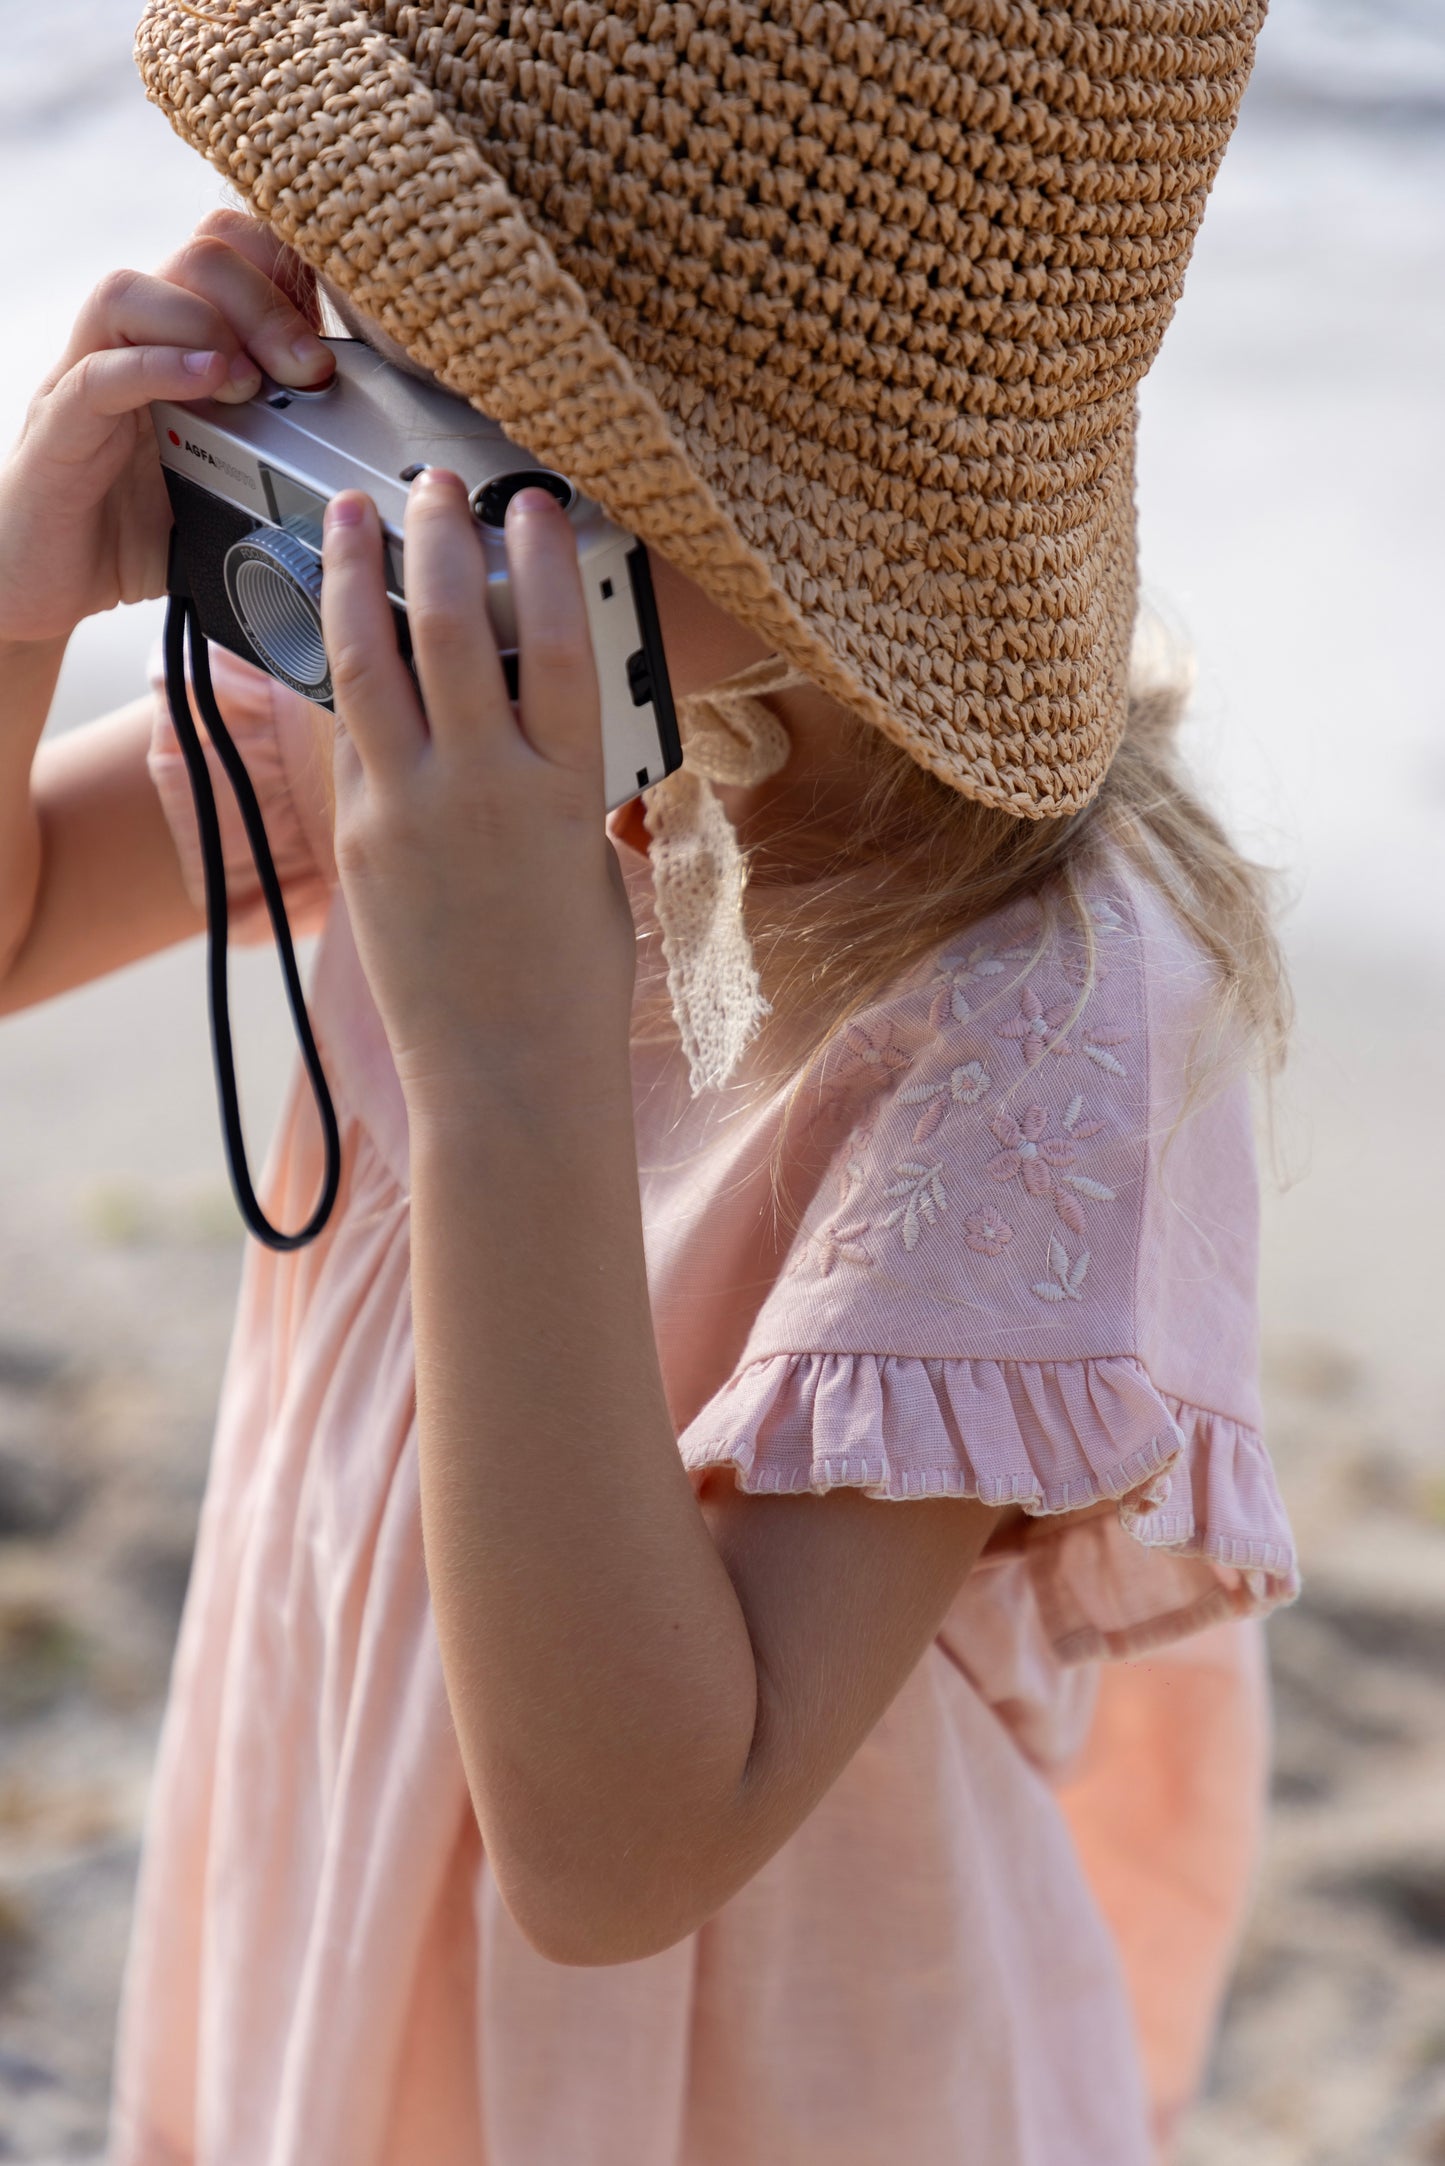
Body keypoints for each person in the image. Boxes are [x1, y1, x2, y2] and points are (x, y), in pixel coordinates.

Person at [0, 1, 1301, 2159]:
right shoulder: (484, 679)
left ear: (794, 494)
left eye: (469, 344)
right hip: (349, 1882)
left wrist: (507, 1042)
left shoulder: (1039, 1013)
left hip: (757, 2075)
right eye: (373, 291)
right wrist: (22, 611)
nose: (371, 406)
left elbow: (624, 1852)